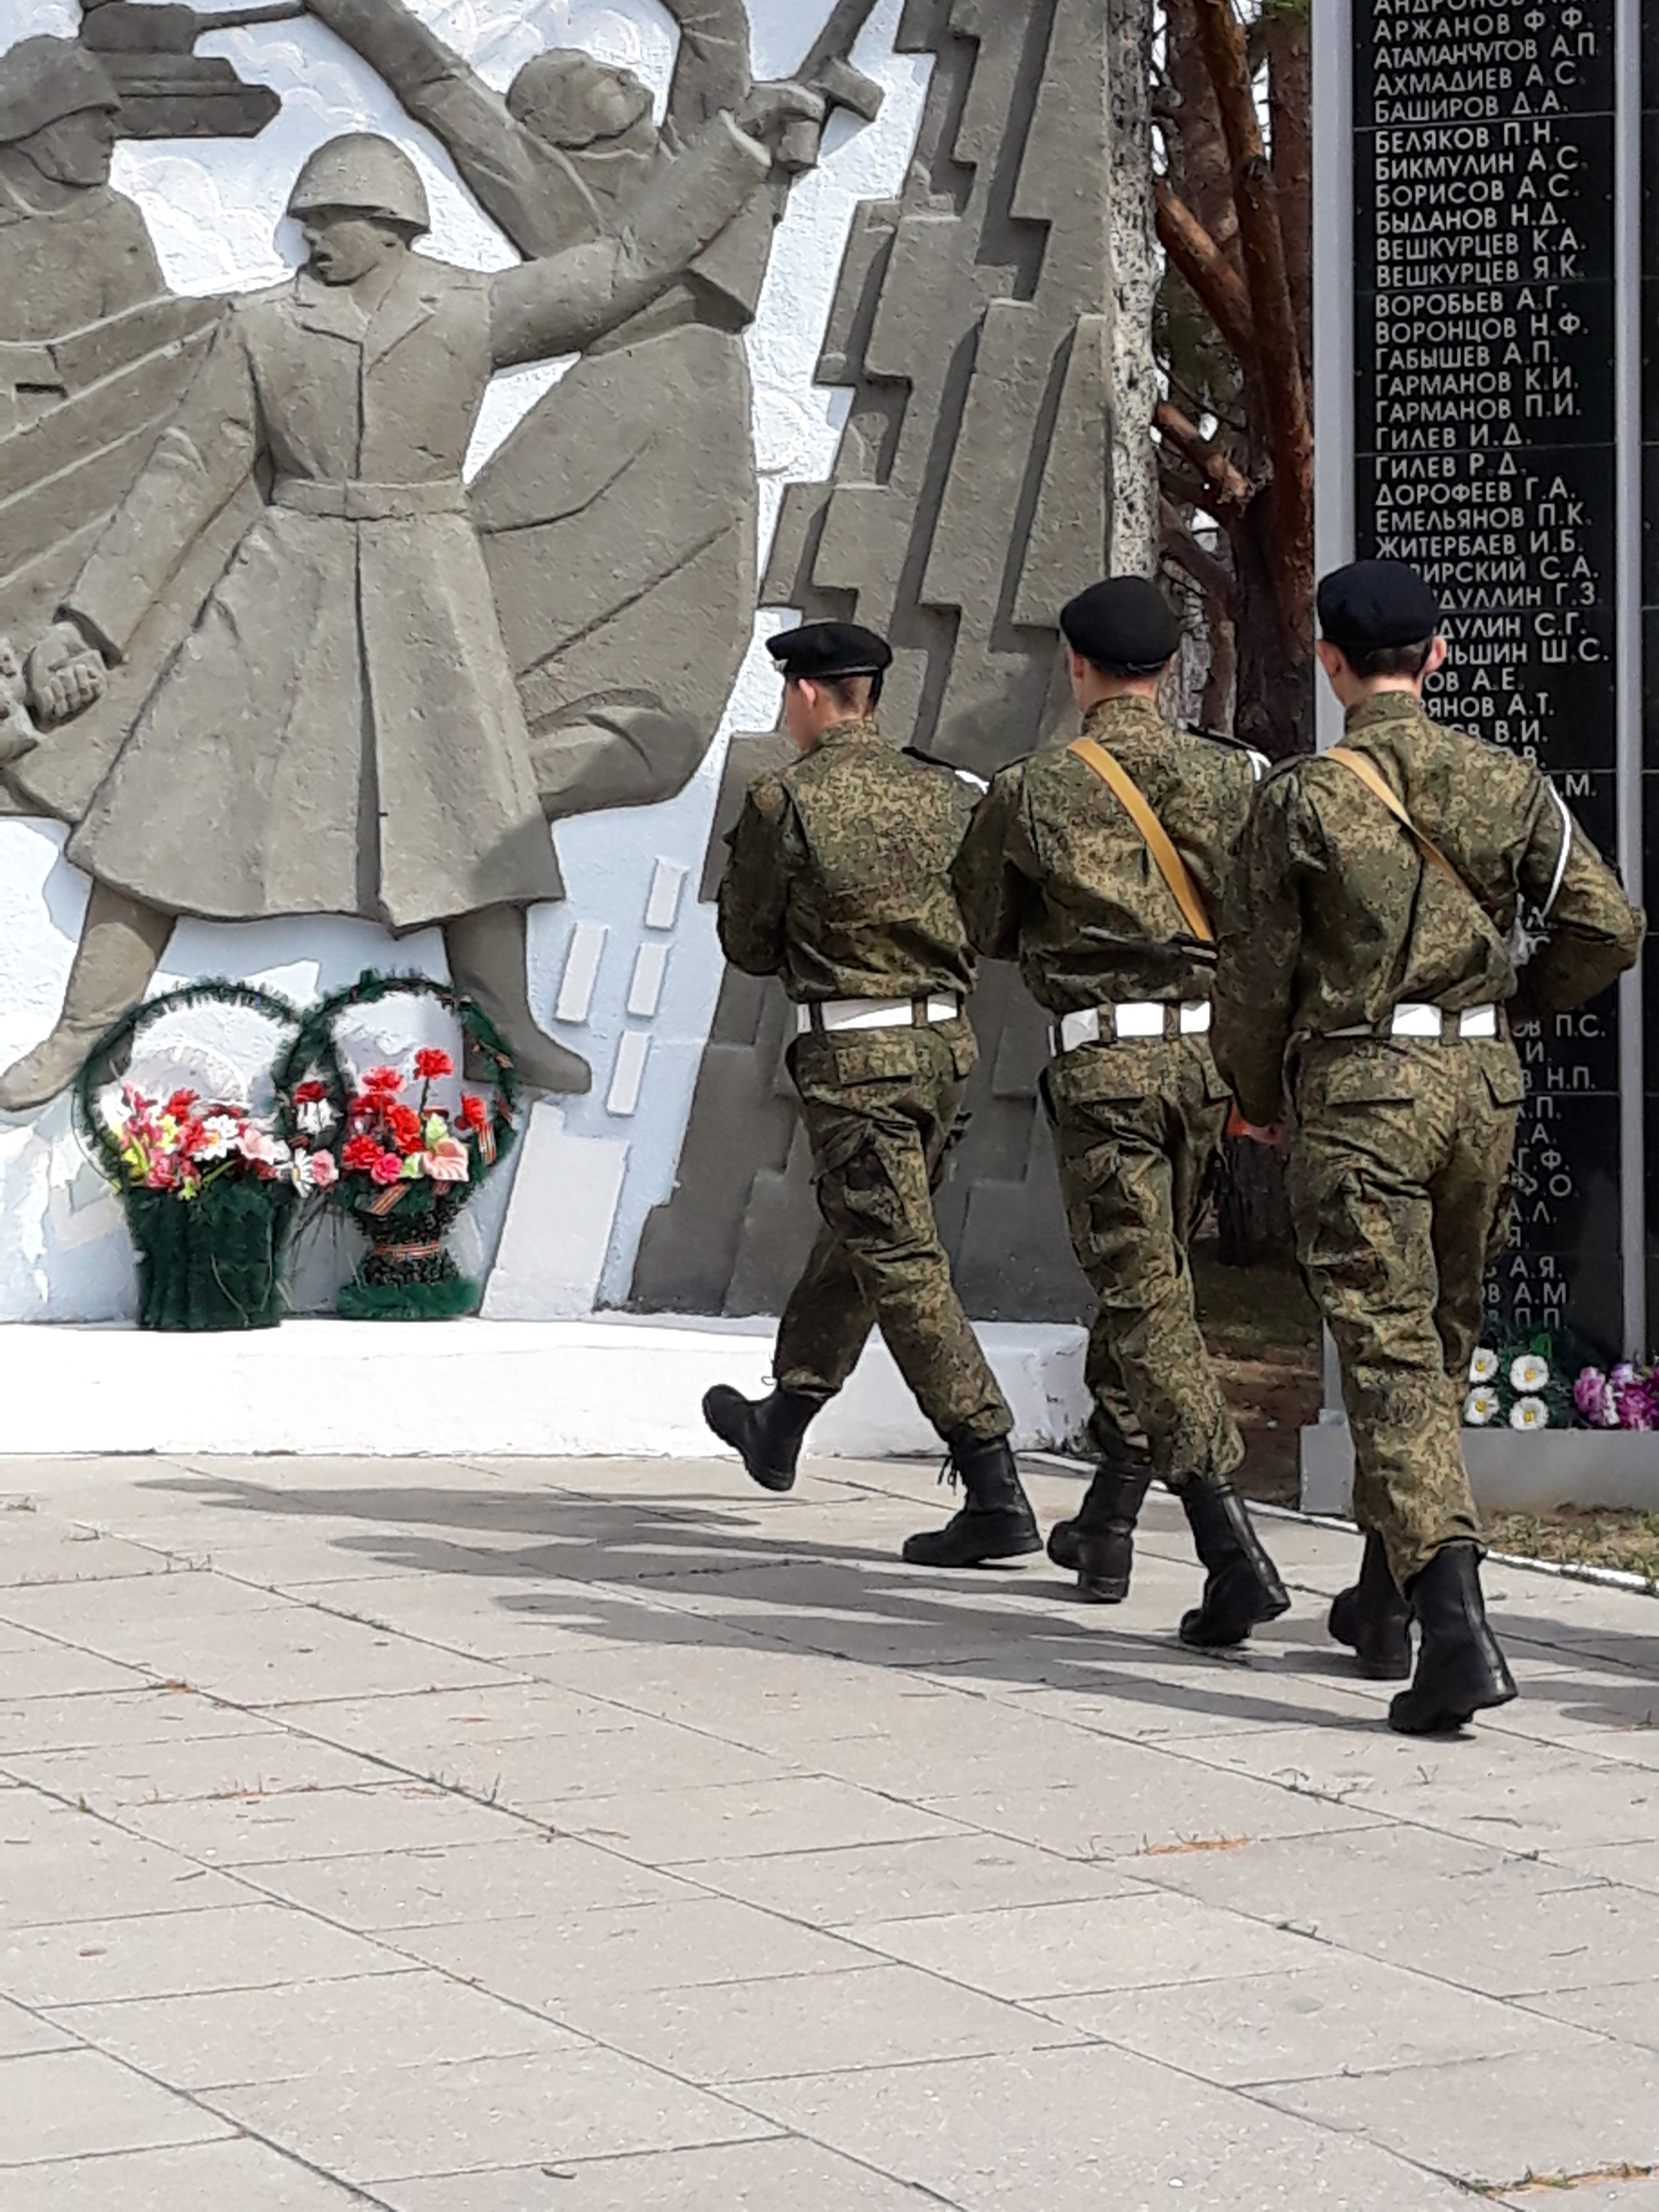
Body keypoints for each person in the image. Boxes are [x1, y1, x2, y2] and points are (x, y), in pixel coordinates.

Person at [3, 113, 776, 1113]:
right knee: (164, 792)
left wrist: (737, 152)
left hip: (425, 583)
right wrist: (89, 624)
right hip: (282, 576)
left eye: (328, 218)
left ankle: (502, 1030)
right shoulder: (265, 325)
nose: (309, 237)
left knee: (469, 802)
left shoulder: (470, 309)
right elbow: (186, 473)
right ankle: (86, 1028)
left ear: (389, 223)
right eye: (305, 219)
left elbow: (625, 264)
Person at [1214, 558, 1643, 1733]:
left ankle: (1455, 1629)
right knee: (1436, 1341)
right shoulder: (1508, 782)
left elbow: (1255, 974)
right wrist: (1510, 1008)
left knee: (1389, 1350)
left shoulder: (1302, 798)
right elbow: (1607, 926)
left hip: (1363, 1089)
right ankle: (1382, 1600)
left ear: (1330, 664)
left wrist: (1251, 1093)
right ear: (1439, 656)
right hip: (1480, 1091)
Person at [299, 0, 821, 830]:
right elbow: (434, 82)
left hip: (705, 419)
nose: (618, 71)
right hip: (621, 412)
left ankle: (452, 790)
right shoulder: (545, 185)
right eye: (582, 74)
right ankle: (394, 775)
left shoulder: (697, 150)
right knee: (469, 631)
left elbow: (716, 31)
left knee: (669, 724)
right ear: (551, 124)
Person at [953, 577, 1289, 1649]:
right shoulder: (1237, 775)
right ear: (1173, 669)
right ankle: (1105, 1525)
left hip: (1109, 1068)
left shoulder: (1034, 788)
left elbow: (983, 923)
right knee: (1154, 1289)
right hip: (1207, 1061)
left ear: (1077, 667)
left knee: (1145, 1300)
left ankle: (1230, 1548)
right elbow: (1270, 915)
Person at [703, 620, 1041, 1570]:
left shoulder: (785, 799)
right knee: (870, 1232)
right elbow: (989, 918)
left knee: (899, 1259)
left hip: (856, 1060)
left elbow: (748, 943)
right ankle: (785, 1416)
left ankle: (993, 1482)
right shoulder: (951, 792)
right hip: (943, 1050)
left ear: (809, 694)